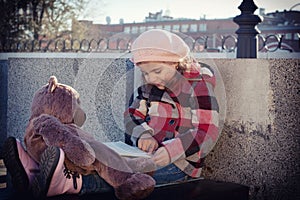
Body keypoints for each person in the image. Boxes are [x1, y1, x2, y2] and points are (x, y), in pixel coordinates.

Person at [124, 29, 220, 184]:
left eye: (157, 71)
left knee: (130, 181)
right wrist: (143, 134)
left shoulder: (198, 86)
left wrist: (172, 151)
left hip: (181, 164)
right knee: (111, 168)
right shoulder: (150, 87)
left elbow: (207, 130)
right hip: (147, 157)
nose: (151, 78)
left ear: (176, 63)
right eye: (145, 73)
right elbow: (132, 114)